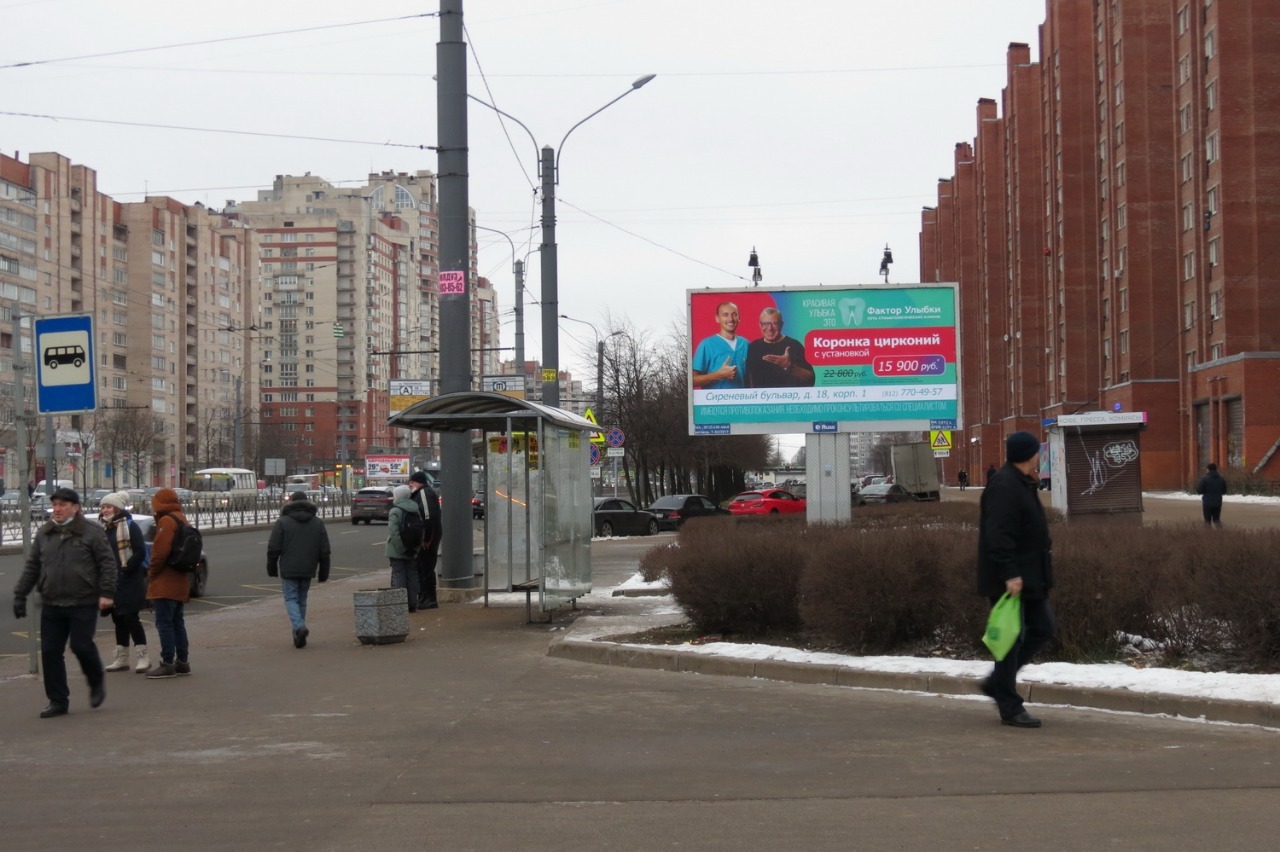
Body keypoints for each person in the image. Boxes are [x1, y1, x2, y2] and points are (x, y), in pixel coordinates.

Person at [11, 487, 117, 718]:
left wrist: (107, 593)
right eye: (55, 505)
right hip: (52, 602)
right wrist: (20, 595)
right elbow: (33, 567)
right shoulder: (45, 533)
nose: (57, 509)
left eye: (63, 505)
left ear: (75, 508)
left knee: (80, 646)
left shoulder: (91, 532)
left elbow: (107, 564)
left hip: (83, 601)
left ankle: (96, 680)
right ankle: (58, 700)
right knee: (50, 652)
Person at [976, 431, 1054, 729]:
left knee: (1043, 628)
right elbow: (999, 535)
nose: (1039, 455)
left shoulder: (1022, 481)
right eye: (1037, 451)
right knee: (1010, 639)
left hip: (1031, 575)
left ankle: (997, 682)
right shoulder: (1005, 485)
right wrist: (1009, 573)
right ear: (1030, 454)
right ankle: (1009, 705)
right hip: (1010, 578)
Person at [267, 491, 332, 648]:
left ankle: (298, 627)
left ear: (291, 502)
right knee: (302, 599)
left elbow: (273, 548)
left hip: (289, 567)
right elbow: (324, 550)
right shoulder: (317, 522)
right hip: (309, 567)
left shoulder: (283, 522)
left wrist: (272, 567)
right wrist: (324, 572)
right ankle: (298, 635)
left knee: (290, 598)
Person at [98, 491, 152, 674]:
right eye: (103, 507)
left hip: (129, 580)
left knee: (130, 617)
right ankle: (122, 658)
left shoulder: (130, 526)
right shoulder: (104, 528)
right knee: (118, 618)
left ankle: (143, 656)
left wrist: (125, 568)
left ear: (118, 508)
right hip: (111, 582)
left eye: (108, 506)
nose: (105, 510)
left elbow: (140, 552)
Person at [145, 488, 193, 679]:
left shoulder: (166, 521)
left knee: (164, 623)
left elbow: (159, 553)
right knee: (177, 622)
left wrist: (151, 573)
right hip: (180, 578)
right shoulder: (181, 517)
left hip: (166, 579)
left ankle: (167, 663)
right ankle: (182, 662)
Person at [746, 307, 815, 388]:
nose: (769, 328)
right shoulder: (753, 347)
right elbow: (749, 379)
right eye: (765, 324)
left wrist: (790, 367)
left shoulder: (795, 345)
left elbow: (811, 380)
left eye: (774, 323)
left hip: (789, 398)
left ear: (781, 324)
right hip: (762, 399)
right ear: (760, 325)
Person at [692, 301, 748, 389]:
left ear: (739, 318)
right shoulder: (707, 345)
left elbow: (750, 378)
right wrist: (718, 375)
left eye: (734, 314)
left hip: (742, 400)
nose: (730, 319)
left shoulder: (745, 344)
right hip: (715, 401)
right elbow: (693, 380)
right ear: (717, 318)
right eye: (725, 315)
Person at [409, 471, 442, 610]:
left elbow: (429, 517)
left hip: (428, 539)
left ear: (419, 482)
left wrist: (426, 538)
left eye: (412, 482)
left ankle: (428, 599)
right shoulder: (424, 493)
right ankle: (426, 598)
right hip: (428, 537)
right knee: (423, 568)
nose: (410, 485)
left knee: (425, 568)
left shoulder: (424, 493)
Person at [386, 484, 422, 612]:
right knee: (412, 575)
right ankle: (412, 604)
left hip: (397, 551)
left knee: (399, 575)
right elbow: (420, 531)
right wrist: (414, 548)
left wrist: (401, 548)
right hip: (413, 549)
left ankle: (400, 604)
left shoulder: (395, 511)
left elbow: (394, 533)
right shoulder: (415, 509)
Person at [1196, 462, 1227, 528]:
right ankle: (1221, 534)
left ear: (1208, 469)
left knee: (1207, 521)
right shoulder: (1221, 479)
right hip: (1218, 502)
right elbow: (1224, 491)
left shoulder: (1205, 479)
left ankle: (1208, 536)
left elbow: (1199, 491)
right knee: (1217, 519)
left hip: (1207, 503)